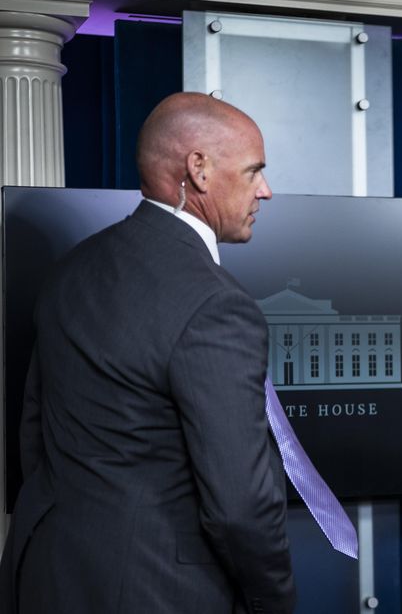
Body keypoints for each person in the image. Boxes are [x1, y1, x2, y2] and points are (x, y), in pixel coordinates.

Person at [0, 92, 295, 613]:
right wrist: (272, 602)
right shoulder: (217, 303)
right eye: (254, 171)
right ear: (198, 170)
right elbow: (239, 507)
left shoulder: (73, 268)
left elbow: (35, 437)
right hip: (158, 590)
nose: (266, 191)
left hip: (48, 573)